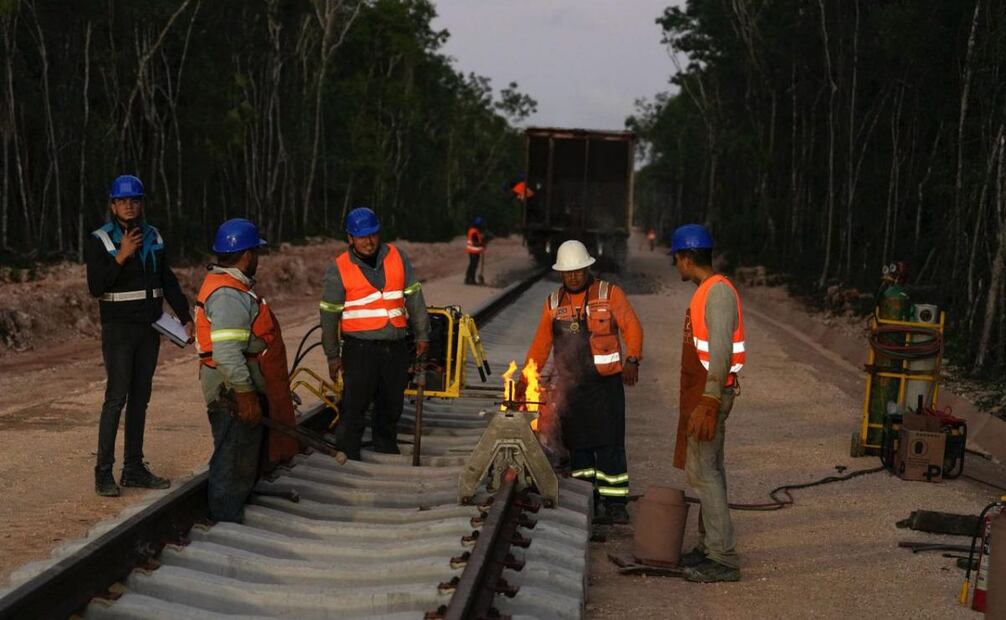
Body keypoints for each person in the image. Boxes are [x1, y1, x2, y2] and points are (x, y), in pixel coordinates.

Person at [519, 240, 643, 524]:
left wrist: (633, 359)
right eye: (568, 272)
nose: (573, 276)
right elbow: (541, 345)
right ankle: (587, 498)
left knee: (610, 445)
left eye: (578, 270)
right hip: (571, 390)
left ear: (588, 268)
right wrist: (527, 377)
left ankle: (615, 504)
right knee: (579, 448)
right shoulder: (553, 304)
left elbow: (632, 326)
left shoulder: (609, 295)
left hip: (605, 386)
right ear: (560, 274)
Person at [85, 174, 192, 497]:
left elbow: (167, 280)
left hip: (149, 328)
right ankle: (103, 472)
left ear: (141, 203)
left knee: (140, 399)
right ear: (112, 204)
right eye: (122, 201)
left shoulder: (154, 237)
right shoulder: (100, 240)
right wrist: (121, 255)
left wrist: (185, 317)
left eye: (134, 200)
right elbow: (96, 287)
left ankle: (133, 468)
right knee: (116, 398)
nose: (129, 206)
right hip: (118, 329)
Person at [193, 218, 299, 522]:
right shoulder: (228, 294)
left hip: (236, 386)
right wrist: (245, 394)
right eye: (256, 252)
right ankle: (226, 519)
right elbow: (227, 353)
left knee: (241, 455)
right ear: (247, 255)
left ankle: (234, 507)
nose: (258, 259)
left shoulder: (232, 287)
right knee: (232, 456)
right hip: (231, 388)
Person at [320, 207, 430, 460]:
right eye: (361, 237)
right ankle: (347, 453)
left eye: (372, 235)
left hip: (395, 347)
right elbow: (329, 316)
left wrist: (422, 334)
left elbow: (414, 297)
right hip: (359, 350)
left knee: (391, 405)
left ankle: (385, 448)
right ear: (350, 238)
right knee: (354, 406)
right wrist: (332, 355)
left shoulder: (397, 257)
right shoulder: (338, 269)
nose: (368, 242)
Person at [669, 224, 746, 583]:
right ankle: (708, 546)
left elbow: (721, 350)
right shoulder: (707, 291)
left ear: (687, 257)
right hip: (705, 392)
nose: (676, 266)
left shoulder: (717, 293)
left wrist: (711, 399)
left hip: (710, 393)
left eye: (677, 260)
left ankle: (723, 557)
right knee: (707, 470)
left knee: (706, 474)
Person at [465, 216, 486, 285]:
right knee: (473, 265)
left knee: (473, 265)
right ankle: (470, 280)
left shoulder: (474, 230)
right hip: (473, 251)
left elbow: (477, 240)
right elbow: (474, 243)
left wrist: (482, 242)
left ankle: (469, 279)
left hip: (474, 251)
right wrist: (481, 244)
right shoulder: (474, 231)